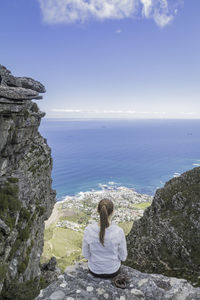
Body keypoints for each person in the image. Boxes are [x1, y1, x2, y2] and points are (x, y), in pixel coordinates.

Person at [82, 198, 127, 278]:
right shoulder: (118, 231)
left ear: (97, 211)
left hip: (94, 270)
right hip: (113, 271)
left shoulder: (88, 230)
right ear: (113, 212)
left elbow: (86, 255)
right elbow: (123, 257)